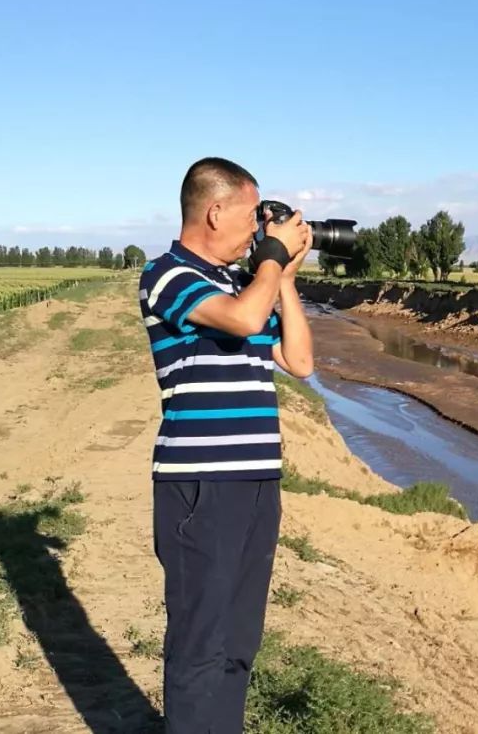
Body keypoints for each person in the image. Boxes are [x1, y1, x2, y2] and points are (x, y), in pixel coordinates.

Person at [138, 157, 313, 733]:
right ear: (214, 211)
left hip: (258, 483)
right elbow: (239, 322)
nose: (260, 227)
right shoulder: (168, 274)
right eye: (253, 214)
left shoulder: (245, 283)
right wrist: (269, 263)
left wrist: (281, 276)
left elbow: (300, 362)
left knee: (239, 642)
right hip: (201, 486)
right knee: (199, 645)